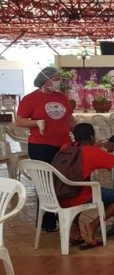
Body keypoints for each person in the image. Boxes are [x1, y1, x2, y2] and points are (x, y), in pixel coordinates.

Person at [16, 67, 76, 232]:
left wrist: (77, 133)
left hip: (63, 145)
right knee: (45, 183)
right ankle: (48, 222)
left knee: (62, 181)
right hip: (41, 146)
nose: (59, 82)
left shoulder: (61, 97)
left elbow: (69, 117)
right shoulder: (31, 98)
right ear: (45, 80)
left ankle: (63, 215)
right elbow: (19, 121)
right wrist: (36, 123)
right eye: (55, 78)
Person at [60, 123, 114, 250]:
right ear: (92, 137)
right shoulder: (94, 152)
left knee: (83, 185)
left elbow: (83, 153)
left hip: (59, 194)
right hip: (77, 196)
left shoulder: (66, 147)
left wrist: (94, 147)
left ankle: (75, 232)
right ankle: (93, 225)